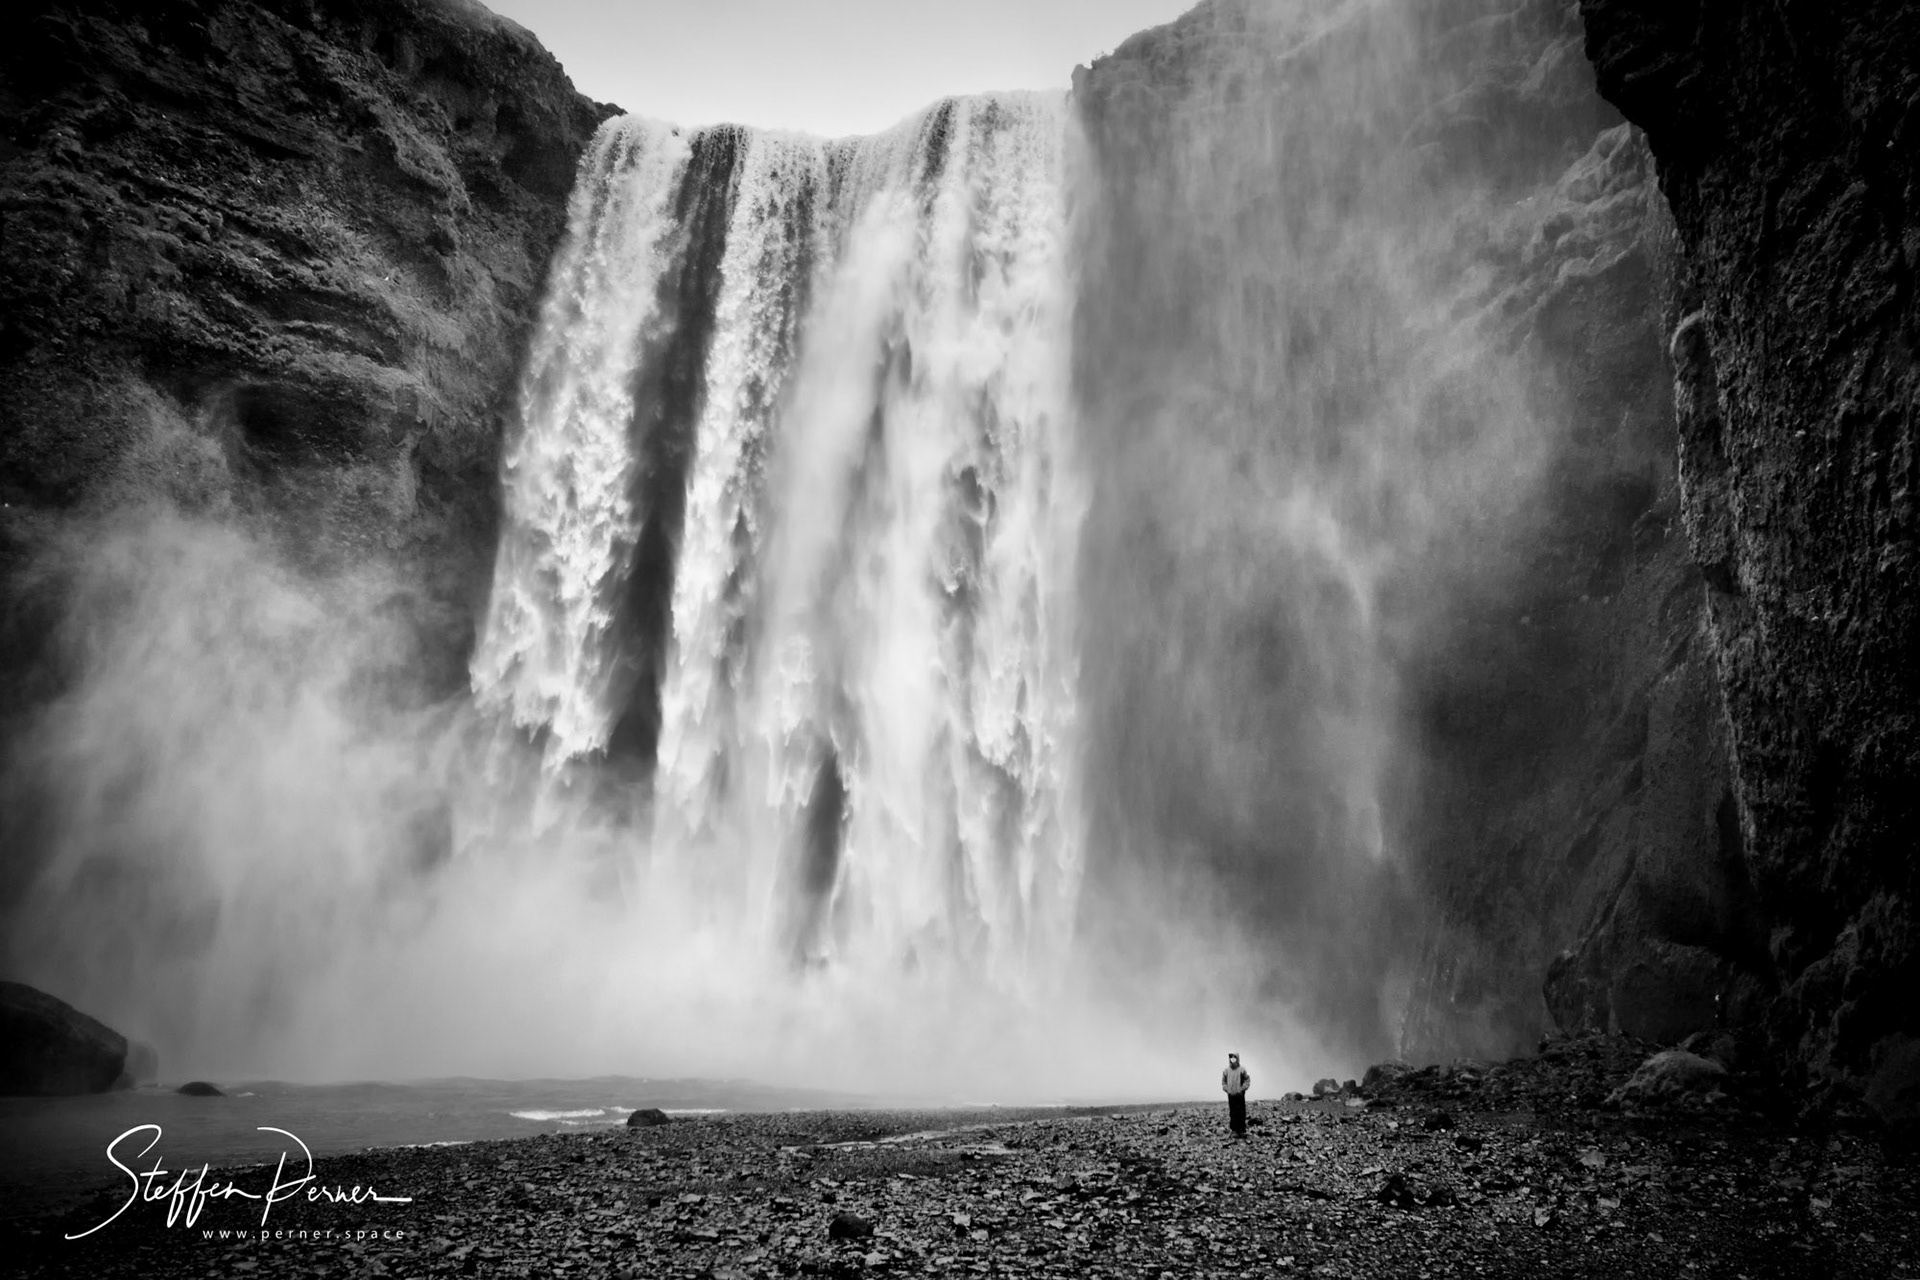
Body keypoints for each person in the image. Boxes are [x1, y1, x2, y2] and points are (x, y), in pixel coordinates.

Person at [1221, 1051, 1251, 1135]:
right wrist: (1227, 1090)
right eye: (1231, 1058)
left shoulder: (1242, 1069)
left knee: (1241, 1112)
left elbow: (1247, 1080)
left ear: (1237, 1058)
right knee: (1233, 1113)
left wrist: (1242, 1089)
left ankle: (1241, 1130)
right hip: (1231, 1095)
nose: (1232, 1059)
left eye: (1234, 1057)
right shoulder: (1226, 1070)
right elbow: (1223, 1081)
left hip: (1240, 1095)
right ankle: (1234, 1130)